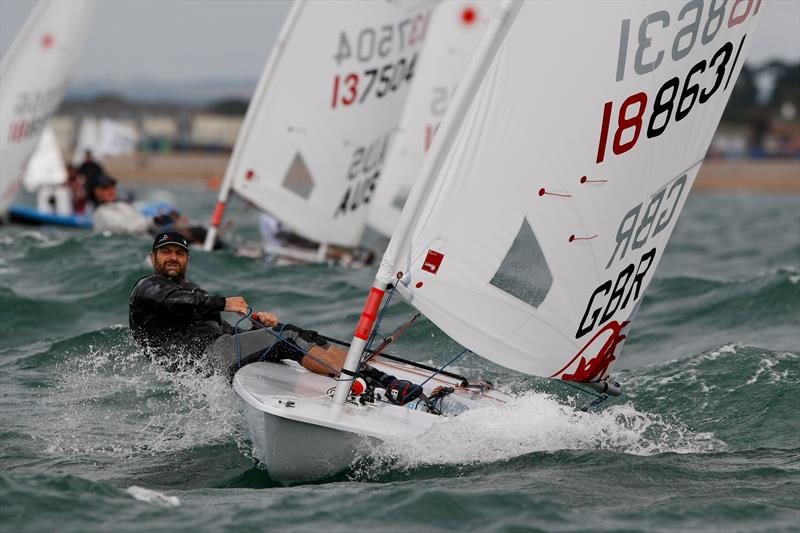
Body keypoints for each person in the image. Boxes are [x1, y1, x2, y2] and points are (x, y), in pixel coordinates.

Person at [128, 232, 422, 405]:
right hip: (203, 361)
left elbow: (220, 329)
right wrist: (223, 302)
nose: (172, 257)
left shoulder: (192, 290)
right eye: (165, 252)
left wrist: (257, 325)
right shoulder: (147, 287)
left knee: (297, 334)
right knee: (288, 339)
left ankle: (377, 379)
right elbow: (172, 302)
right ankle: (365, 383)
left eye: (179, 253)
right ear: (153, 258)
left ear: (187, 259)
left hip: (218, 351)